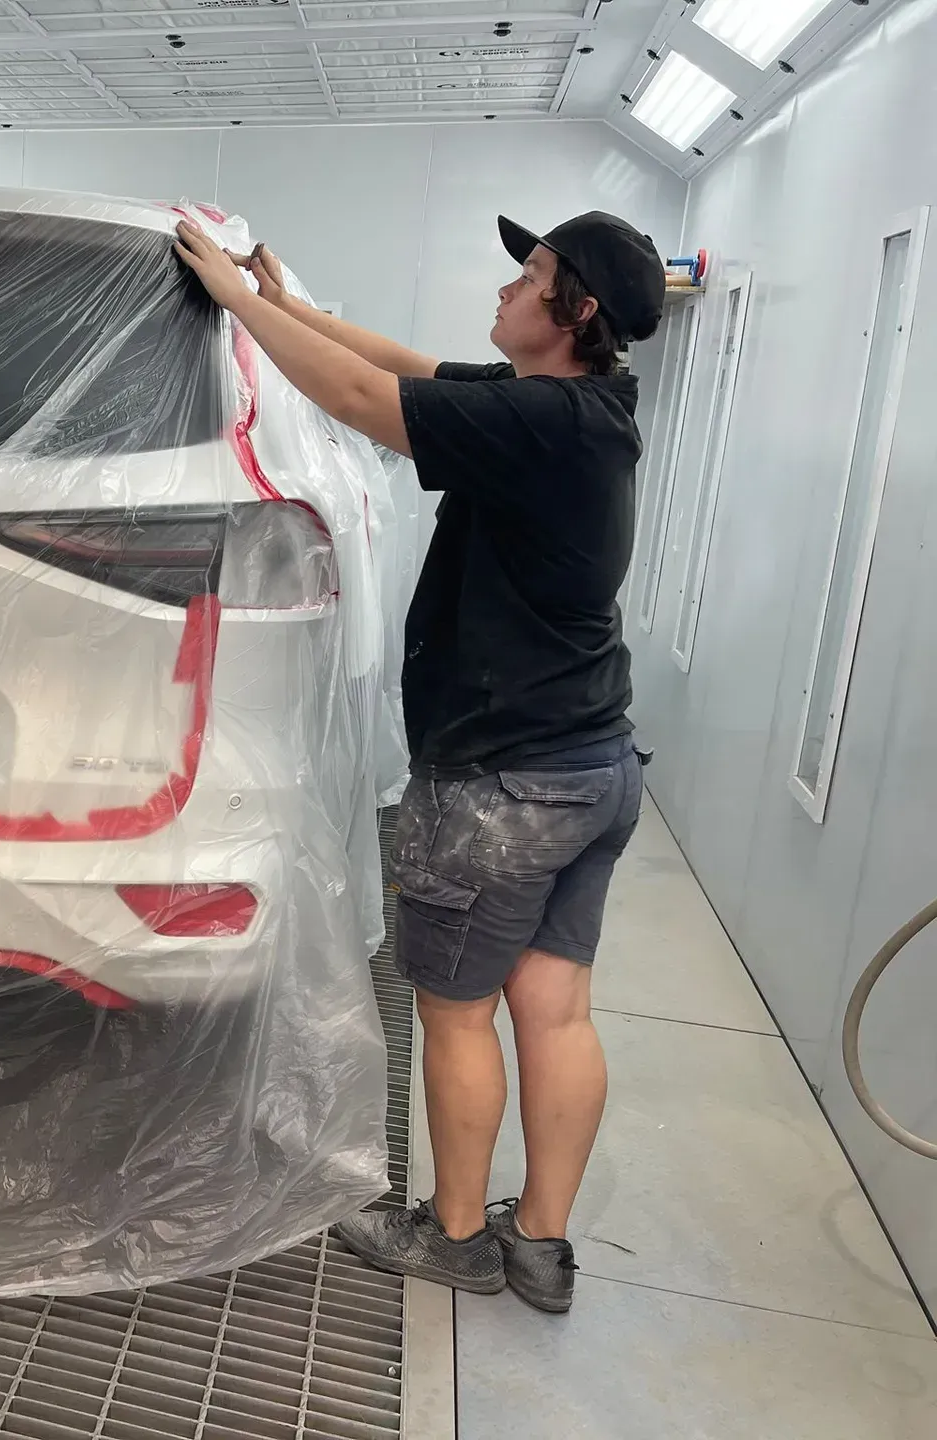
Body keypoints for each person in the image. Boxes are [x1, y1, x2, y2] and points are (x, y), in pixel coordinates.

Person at [176, 211, 664, 1313]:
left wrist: (233, 304)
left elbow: (359, 402)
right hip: (592, 766)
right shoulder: (582, 411)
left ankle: (451, 1238)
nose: (504, 290)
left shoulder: (543, 427)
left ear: (574, 310)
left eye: (527, 276)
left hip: (507, 782)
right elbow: (400, 364)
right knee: (557, 1010)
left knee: (453, 1013)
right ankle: (538, 1245)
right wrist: (287, 305)